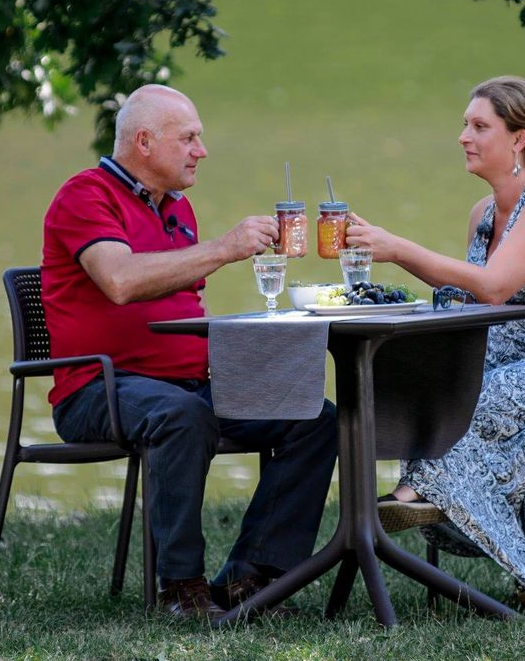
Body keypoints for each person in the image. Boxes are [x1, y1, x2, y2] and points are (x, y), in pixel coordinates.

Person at [40, 84, 337, 621]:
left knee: (311, 414)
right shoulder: (85, 196)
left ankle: (253, 578)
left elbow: (182, 303)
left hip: (190, 385)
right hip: (96, 388)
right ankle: (182, 588)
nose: (202, 150)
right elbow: (120, 280)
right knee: (182, 416)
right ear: (146, 142)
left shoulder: (178, 208)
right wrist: (224, 249)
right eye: (190, 138)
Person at [344, 75, 525, 612]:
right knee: (433, 393)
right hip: (505, 369)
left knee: (467, 401)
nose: (464, 137)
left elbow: (495, 286)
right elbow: (473, 297)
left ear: (519, 138)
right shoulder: (481, 216)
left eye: (479, 126)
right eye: (464, 126)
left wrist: (396, 247)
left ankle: (420, 495)